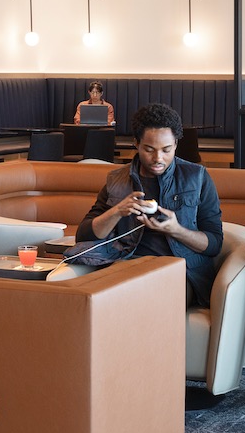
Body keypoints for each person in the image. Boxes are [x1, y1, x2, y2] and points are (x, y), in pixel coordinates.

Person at [74, 103, 222, 306]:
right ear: (136, 143)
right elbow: (83, 236)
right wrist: (117, 211)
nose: (158, 158)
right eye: (149, 149)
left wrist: (176, 230)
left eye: (166, 150)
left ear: (176, 144)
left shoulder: (197, 178)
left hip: (179, 271)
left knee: (155, 300)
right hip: (127, 265)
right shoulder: (117, 179)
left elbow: (214, 244)